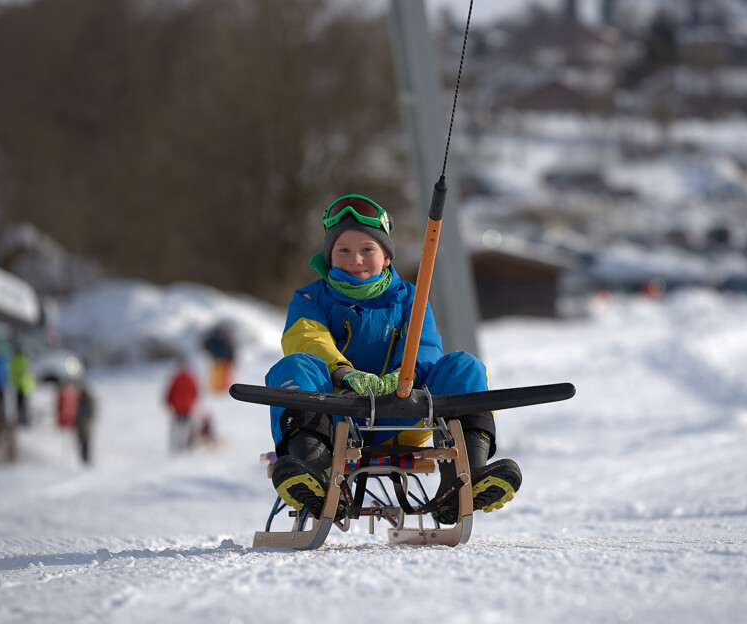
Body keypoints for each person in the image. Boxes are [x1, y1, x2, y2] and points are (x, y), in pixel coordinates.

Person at [265, 194, 522, 524]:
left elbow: (427, 345)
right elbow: (307, 338)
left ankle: (466, 478)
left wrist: (407, 375)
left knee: (464, 366)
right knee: (294, 366)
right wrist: (344, 373)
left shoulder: (411, 298)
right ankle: (314, 473)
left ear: (386, 256)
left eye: (367, 250)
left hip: (404, 419)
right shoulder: (308, 298)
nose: (355, 258)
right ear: (329, 257)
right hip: (334, 421)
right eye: (343, 250)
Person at [165, 358, 199, 452]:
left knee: (177, 428)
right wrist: (192, 402)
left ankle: (176, 445)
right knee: (185, 428)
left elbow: (170, 392)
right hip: (186, 407)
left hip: (177, 407)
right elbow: (195, 392)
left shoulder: (176, 378)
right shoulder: (190, 379)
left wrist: (169, 402)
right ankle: (183, 445)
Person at [202, 323, 236, 392]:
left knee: (222, 374)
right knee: (217, 373)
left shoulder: (224, 340)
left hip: (222, 359)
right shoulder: (216, 340)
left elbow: (229, 349)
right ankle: (217, 387)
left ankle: (221, 387)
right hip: (217, 359)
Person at [9, 345, 35, 427]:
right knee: (20, 404)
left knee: (23, 404)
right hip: (21, 386)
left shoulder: (21, 360)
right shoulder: (20, 360)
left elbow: (24, 373)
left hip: (24, 386)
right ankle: (22, 419)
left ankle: (24, 420)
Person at [75, 383, 96, 464]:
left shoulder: (88, 401)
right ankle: (83, 460)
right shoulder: (79, 400)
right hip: (81, 426)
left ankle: (86, 460)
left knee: (85, 443)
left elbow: (90, 414)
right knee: (80, 443)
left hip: (86, 426)